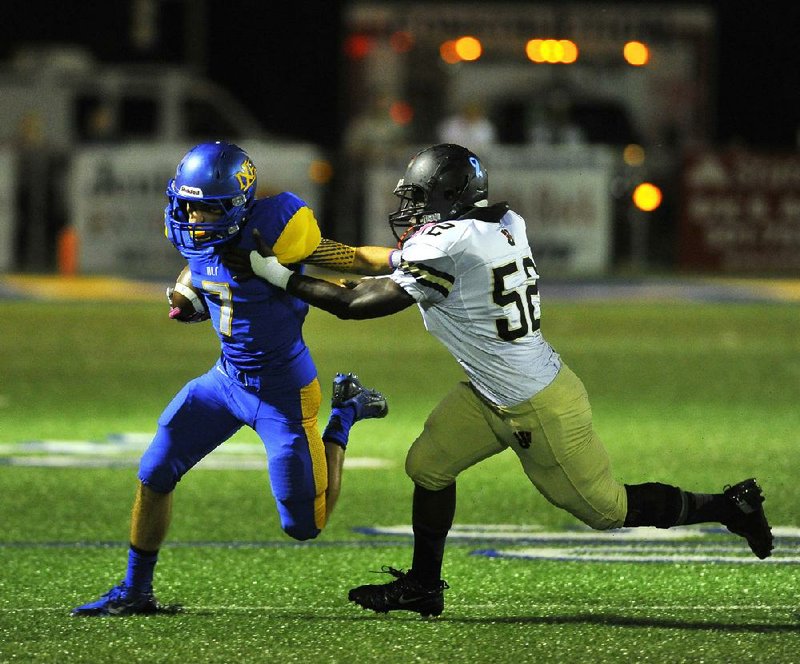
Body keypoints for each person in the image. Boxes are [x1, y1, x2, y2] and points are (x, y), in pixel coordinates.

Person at [237, 143, 774, 618]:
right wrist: (317, 250)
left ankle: (728, 506)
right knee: (427, 466)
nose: (411, 209)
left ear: (449, 197)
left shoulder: (448, 244)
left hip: (535, 403)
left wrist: (277, 274)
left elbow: (356, 303)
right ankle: (424, 587)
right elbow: (384, 261)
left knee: (607, 510)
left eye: (422, 197)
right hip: (492, 390)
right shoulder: (501, 223)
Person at [72, 141, 397, 616]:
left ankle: (345, 415)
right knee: (154, 472)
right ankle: (135, 591)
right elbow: (199, 266)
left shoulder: (274, 233)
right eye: (186, 207)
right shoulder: (199, 238)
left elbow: (348, 257)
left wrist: (404, 260)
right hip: (224, 383)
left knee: (306, 525)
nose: (192, 220)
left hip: (283, 396)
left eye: (205, 210)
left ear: (238, 207)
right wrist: (187, 295)